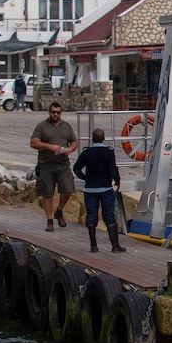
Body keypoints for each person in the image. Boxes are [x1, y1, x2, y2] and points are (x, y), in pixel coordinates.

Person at [73, 128, 126, 253]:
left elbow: (76, 168)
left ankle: (93, 246)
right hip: (105, 188)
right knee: (109, 215)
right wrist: (117, 181)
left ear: (92, 138)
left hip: (90, 189)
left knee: (91, 216)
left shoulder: (86, 153)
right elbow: (113, 169)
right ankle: (115, 246)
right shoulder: (108, 152)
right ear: (103, 138)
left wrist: (85, 178)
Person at [30, 102, 78, 232]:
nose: (55, 114)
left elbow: (74, 142)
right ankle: (50, 220)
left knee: (68, 188)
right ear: (49, 112)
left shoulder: (66, 126)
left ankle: (59, 210)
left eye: (58, 112)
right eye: (53, 112)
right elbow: (33, 142)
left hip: (63, 164)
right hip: (46, 165)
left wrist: (70, 149)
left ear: (61, 113)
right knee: (47, 193)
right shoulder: (41, 126)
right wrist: (49, 146)